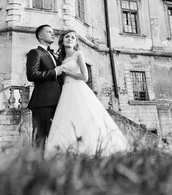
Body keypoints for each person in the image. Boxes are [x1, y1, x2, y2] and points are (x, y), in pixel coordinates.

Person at [45, 29, 130, 157]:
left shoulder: (78, 54)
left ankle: (92, 149)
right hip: (66, 91)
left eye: (73, 37)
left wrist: (66, 72)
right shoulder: (61, 58)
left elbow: (85, 77)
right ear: (62, 40)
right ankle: (68, 151)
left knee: (85, 118)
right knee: (67, 119)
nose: (70, 39)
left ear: (76, 41)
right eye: (67, 37)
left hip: (78, 88)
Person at [26, 24, 64, 149]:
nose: (53, 34)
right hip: (43, 102)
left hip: (57, 101)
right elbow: (31, 74)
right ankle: (37, 165)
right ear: (40, 36)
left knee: (56, 136)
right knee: (40, 138)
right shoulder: (35, 53)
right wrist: (54, 72)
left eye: (53, 32)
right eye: (49, 32)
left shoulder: (52, 55)